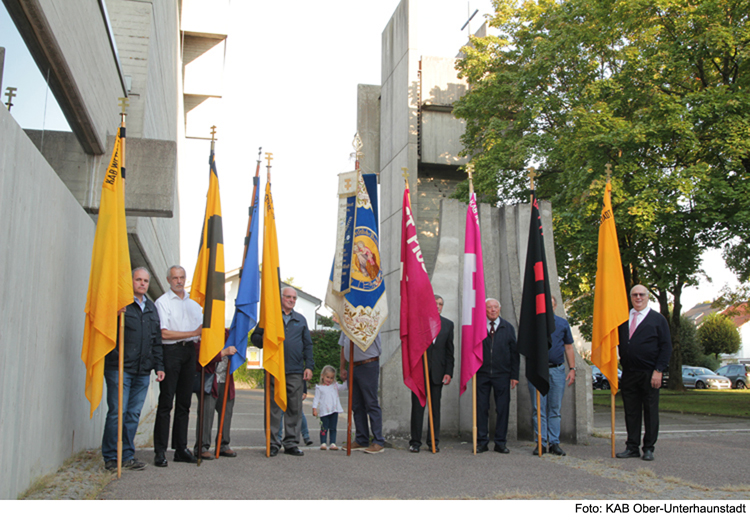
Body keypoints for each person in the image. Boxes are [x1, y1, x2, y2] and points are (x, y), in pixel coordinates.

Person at [102, 267, 165, 471]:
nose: (143, 284)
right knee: (117, 413)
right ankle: (111, 457)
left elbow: (156, 341)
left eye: (145, 281)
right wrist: (113, 314)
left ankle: (127, 455)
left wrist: (159, 366)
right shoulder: (120, 304)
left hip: (142, 371)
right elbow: (105, 332)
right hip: (119, 368)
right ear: (131, 281)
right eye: (138, 280)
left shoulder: (151, 308)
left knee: (133, 414)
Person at [251, 286, 314, 456]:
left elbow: (308, 345)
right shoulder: (269, 318)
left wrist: (309, 366)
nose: (291, 300)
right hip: (274, 369)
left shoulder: (301, 320)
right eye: (288, 297)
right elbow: (255, 338)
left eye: (294, 298)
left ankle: (291, 443)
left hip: (295, 371)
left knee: (294, 407)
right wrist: (267, 339)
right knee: (273, 408)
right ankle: (272, 443)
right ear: (281, 298)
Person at [153, 265, 203, 467]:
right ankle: (160, 451)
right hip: (170, 352)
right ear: (168, 280)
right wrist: (191, 333)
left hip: (189, 353)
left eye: (182, 277)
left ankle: (180, 448)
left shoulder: (193, 304)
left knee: (184, 403)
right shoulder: (162, 302)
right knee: (166, 403)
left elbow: (201, 331)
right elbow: (164, 333)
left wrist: (193, 335)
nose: (179, 281)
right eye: (175, 278)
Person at [616, 284, 672, 461]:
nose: (638, 297)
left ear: (648, 297)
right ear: (630, 297)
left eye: (641, 294)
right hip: (629, 373)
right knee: (631, 412)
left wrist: (659, 370)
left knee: (650, 411)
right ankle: (632, 446)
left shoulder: (657, 319)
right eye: (634, 295)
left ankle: (648, 447)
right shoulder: (623, 319)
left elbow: (666, 346)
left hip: (650, 373)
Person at [527, 296, 576, 456]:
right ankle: (540, 442)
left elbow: (568, 347)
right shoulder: (533, 324)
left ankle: (554, 443)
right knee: (538, 409)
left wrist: (572, 368)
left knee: (554, 409)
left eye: (551, 306)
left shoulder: (562, 323)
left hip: (557, 371)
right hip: (538, 371)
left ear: (555, 307)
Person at [409, 295, 454, 453]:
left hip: (438, 373)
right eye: (435, 303)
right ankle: (415, 442)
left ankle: (433, 442)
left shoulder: (448, 325)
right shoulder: (419, 323)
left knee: (435, 409)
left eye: (441, 304)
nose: (438, 306)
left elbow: (449, 352)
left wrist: (449, 372)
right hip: (420, 374)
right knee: (417, 408)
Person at [477, 298, 519, 454]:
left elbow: (514, 354)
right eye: (489, 307)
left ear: (500, 309)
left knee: (502, 408)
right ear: (485, 310)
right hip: (482, 374)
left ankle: (500, 442)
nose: (493, 310)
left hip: (502, 374)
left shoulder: (508, 328)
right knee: (481, 408)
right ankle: (482, 441)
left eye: (495, 307)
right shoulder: (479, 327)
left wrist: (514, 375)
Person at [339, 331, 385, 454]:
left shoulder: (370, 320)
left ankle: (378, 440)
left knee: (371, 403)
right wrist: (342, 367)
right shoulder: (346, 323)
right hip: (352, 366)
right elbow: (343, 346)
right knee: (356, 404)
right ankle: (361, 438)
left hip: (368, 364)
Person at [193, 341, 238, 460]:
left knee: (226, 411)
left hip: (226, 379)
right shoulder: (205, 333)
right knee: (206, 413)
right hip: (210, 379)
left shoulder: (229, 334)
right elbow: (200, 356)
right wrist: (222, 353)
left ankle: (223, 445)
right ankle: (202, 447)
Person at [312, 365, 347, 450]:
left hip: (334, 410)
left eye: (331, 378)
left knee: (333, 427)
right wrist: (314, 408)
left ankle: (332, 443)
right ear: (322, 376)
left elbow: (343, 387)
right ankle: (323, 442)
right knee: (324, 427)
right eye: (327, 377)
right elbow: (316, 399)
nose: (329, 380)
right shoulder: (320, 388)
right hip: (324, 411)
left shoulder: (334, 386)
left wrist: (345, 380)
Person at [278, 382, 314, 446]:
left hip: (294, 388)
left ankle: (306, 436)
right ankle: (278, 438)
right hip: (281, 388)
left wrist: (304, 390)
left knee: (299, 413)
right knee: (279, 414)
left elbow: (301, 374)